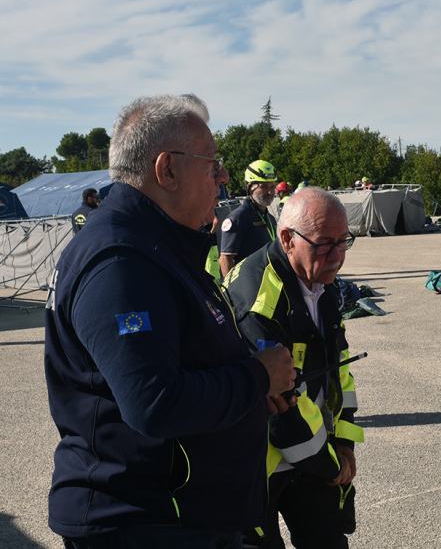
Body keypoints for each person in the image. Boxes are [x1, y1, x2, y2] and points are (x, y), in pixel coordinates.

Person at [44, 94, 297, 549]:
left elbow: (181, 357)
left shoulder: (156, 248)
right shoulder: (120, 261)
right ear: (167, 170)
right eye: (212, 164)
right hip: (147, 524)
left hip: (180, 518)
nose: (222, 178)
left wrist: (249, 380)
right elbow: (154, 403)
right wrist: (256, 377)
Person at [223, 186, 363, 549]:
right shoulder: (260, 300)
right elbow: (280, 408)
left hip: (313, 453)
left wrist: (344, 443)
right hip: (258, 463)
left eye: (344, 242)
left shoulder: (323, 283)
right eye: (324, 244)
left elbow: (339, 369)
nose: (337, 256)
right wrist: (332, 466)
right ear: (287, 239)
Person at [219, 160, 279, 275]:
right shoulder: (238, 218)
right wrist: (232, 291)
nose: (270, 192)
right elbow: (225, 259)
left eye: (272, 186)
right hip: (248, 287)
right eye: (264, 186)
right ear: (250, 187)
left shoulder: (269, 218)